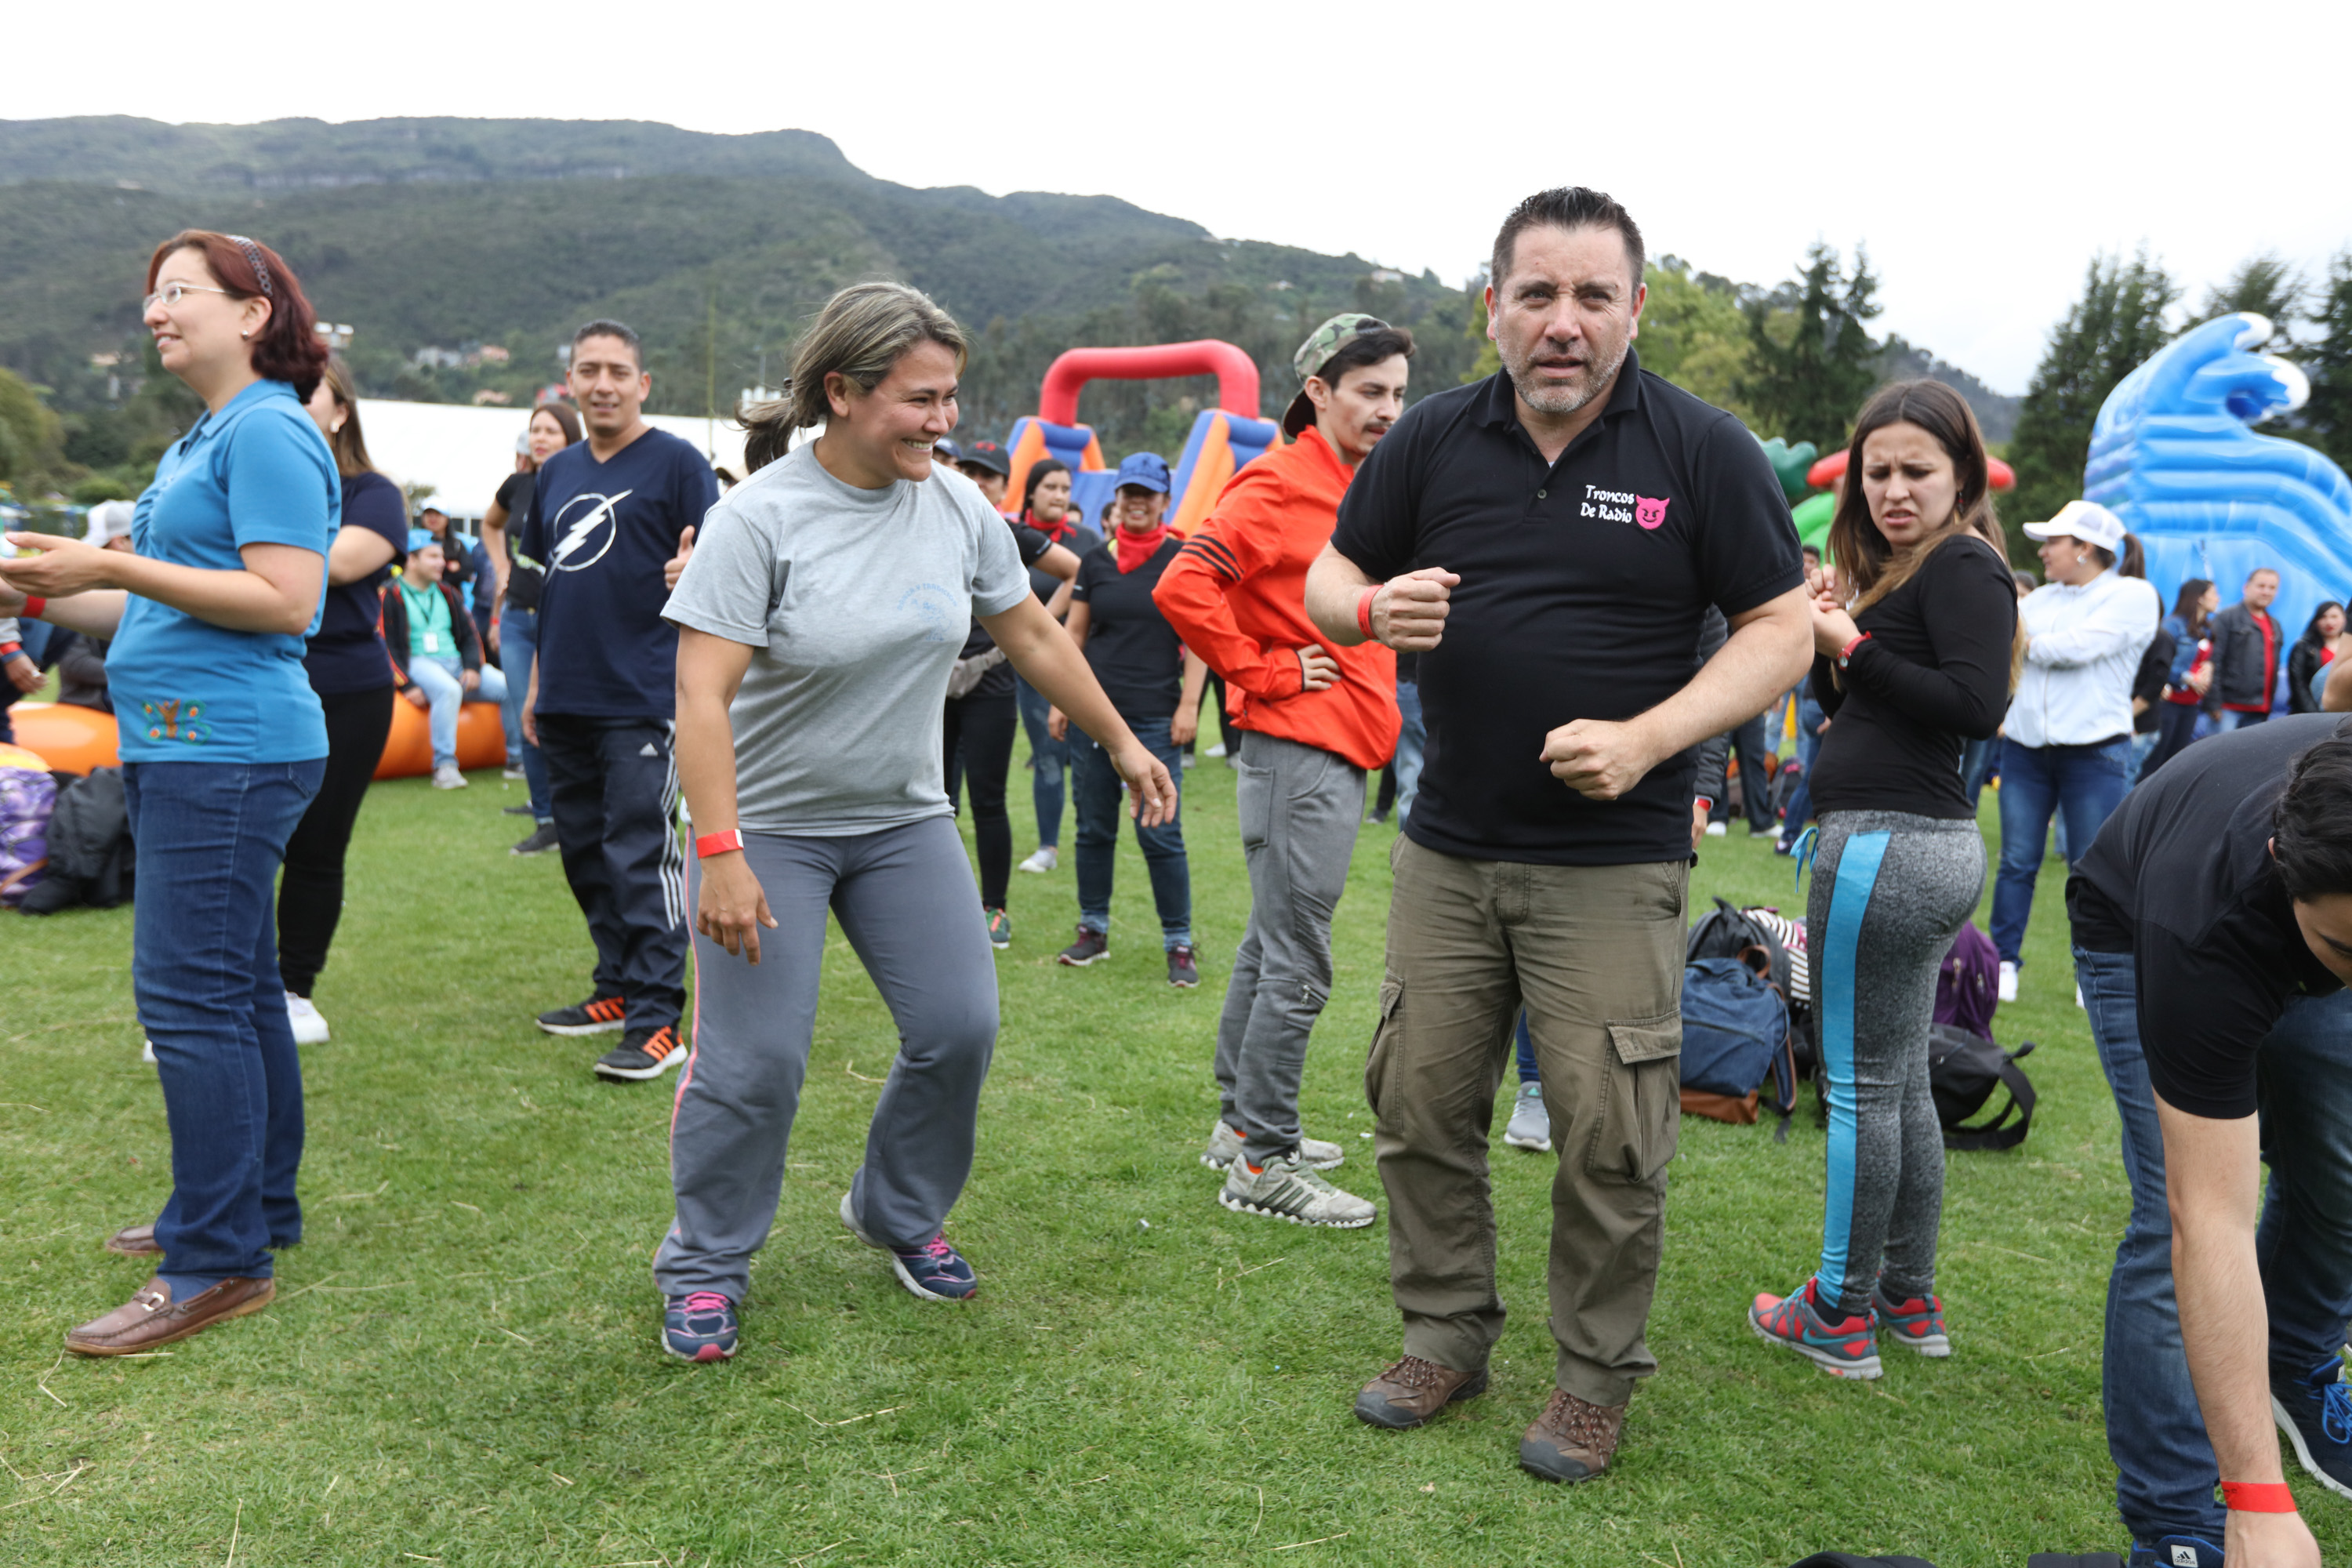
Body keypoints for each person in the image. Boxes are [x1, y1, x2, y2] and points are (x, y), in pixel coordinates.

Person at [1303, 187, 1811, 1483]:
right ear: (1495, 308)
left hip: (1613, 861)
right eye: (1537, 294)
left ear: (1634, 309)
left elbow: (1780, 630)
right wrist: (1368, 612)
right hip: (1447, 849)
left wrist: (1648, 739)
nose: (1564, 323)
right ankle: (1444, 1335)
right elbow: (1330, 574)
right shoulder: (1432, 438)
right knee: (1418, 1103)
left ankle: (1592, 1379)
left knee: (1608, 1133)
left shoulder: (1702, 450)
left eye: (1593, 296)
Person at [652, 281, 1177, 1360]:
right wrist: (722, 852)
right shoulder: (760, 518)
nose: (944, 421)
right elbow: (700, 696)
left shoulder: (956, 508)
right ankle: (704, 1267)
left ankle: (895, 1210)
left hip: (901, 819)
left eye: (950, 398)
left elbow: (1033, 635)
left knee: (959, 1026)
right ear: (841, 392)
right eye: (921, 399)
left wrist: (1125, 743)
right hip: (767, 825)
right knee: (756, 1064)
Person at [0, 230, 335, 1354]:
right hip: (189, 745)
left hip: (224, 748)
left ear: (253, 312)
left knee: (190, 998)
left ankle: (218, 1258)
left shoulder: (271, 426)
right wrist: (41, 588)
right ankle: (253, 1209)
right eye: (152, 294)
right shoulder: (205, 435)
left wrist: (109, 561)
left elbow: (286, 599)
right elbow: (150, 605)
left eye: (178, 291)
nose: (155, 310)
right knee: (238, 990)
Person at [1744, 379, 2020, 1381]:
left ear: (1964, 475)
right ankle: (1907, 1294)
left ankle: (1839, 1309)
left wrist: (1850, 640)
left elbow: (1975, 705)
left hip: (1889, 849)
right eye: (1878, 471)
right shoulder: (1908, 567)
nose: (1894, 489)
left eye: (1917, 470)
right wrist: (1834, 633)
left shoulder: (1964, 564)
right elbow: (1853, 702)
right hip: (1905, 846)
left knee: (1861, 1089)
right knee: (1897, 1082)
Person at [2071, 715, 2352, 1568]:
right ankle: (2180, 1523)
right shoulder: (2206, 932)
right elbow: (2212, 1223)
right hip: (2135, 915)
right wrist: (2260, 1502)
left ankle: (2293, 1363)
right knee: (2174, 1218)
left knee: (2340, 1175)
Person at [1152, 311, 1409, 1223]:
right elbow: (1182, 585)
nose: (1388, 409)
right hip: (1301, 745)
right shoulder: (1280, 481)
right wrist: (1260, 669)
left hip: (1331, 744)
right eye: (1369, 391)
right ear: (1318, 391)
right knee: (1299, 958)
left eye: (1398, 393)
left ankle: (1240, 1129)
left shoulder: (1356, 485)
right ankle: (1264, 1161)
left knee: (1270, 944)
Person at [518, 319, 720, 1081]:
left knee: (640, 854)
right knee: (585, 855)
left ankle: (658, 1020)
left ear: (643, 384)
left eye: (618, 371)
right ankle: (615, 986)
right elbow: (548, 587)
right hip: (565, 694)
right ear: (570, 380)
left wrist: (695, 572)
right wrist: (536, 685)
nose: (602, 384)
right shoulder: (556, 472)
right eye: (588, 370)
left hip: (645, 696)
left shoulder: (678, 463)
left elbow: (722, 566)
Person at [277, 354, 408, 1046]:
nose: (293, 404)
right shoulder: (255, 482)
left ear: (341, 412)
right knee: (241, 847)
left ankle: (292, 989)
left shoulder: (372, 493)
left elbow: (337, 564)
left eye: (308, 393)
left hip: (347, 689)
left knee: (317, 843)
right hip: (260, 680)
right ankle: (222, 992)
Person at [1986, 500, 2159, 1004]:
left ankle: (2095, 970)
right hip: (2025, 748)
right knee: (2017, 861)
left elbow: (2075, 649)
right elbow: (2003, 640)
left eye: (2052, 542)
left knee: (2091, 868)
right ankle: (2002, 963)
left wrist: (2025, 641)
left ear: (2085, 548)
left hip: (2093, 752)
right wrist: (2026, 639)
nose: (2042, 552)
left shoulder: (2133, 595)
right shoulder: (2042, 599)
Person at [1045, 452, 1208, 985]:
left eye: (1147, 494)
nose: (1137, 502)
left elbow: (1199, 641)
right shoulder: (1096, 561)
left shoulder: (1182, 559)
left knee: (1161, 834)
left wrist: (1189, 706)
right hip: (1094, 718)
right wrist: (1061, 700)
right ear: (1116, 499)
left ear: (1164, 501)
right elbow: (1074, 635)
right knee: (1092, 828)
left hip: (1156, 718)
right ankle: (1093, 930)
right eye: (1129, 493)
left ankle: (1178, 942)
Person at [942, 491, 1080, 949]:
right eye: (970, 472)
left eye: (990, 477)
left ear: (1005, 487)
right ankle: (942, 906)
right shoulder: (929, 518)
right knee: (933, 803)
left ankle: (994, 908)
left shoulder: (1008, 532)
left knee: (988, 801)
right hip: (933, 680)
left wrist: (1030, 629)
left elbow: (1074, 570)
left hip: (991, 682)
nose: (978, 483)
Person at [481, 401, 583, 856]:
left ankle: (570, 806)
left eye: (550, 431)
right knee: (530, 714)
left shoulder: (583, 482)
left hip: (566, 619)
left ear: (570, 437)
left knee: (565, 716)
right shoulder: (518, 484)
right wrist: (501, 569)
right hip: (519, 618)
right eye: (535, 430)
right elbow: (491, 525)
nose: (540, 438)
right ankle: (547, 818)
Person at [1013, 459, 1101, 874]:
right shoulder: (1011, 536)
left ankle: (1084, 839)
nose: (1060, 495)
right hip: (1025, 665)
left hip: (1076, 664)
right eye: (1050, 487)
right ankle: (1047, 846)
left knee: (1080, 756)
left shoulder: (1086, 540)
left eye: (1066, 488)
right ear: (1031, 491)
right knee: (1047, 754)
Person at [384, 531, 508, 789]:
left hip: (456, 662)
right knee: (449, 690)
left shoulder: (448, 592)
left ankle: (518, 760)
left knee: (508, 687)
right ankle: (445, 767)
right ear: (411, 560)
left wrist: (473, 668)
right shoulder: (390, 594)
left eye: (441, 556)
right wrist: (406, 685)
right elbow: (385, 646)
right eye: (433, 556)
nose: (442, 562)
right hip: (419, 662)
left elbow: (471, 636)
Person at [2144, 579, 2218, 777]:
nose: (2218, 599)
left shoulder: (2207, 629)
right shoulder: (2173, 626)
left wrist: (2209, 667)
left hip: (2191, 704)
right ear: (2200, 598)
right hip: (2170, 702)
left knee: (2176, 761)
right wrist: (2189, 678)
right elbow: (2161, 664)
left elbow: (2203, 658)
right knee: (2155, 760)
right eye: (2214, 594)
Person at [2207, 568, 2283, 731]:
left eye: (2272, 588)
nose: (2266, 592)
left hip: (2260, 711)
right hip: (2228, 707)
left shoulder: (2275, 625)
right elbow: (2213, 660)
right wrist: (2214, 702)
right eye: (2261, 586)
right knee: (2221, 748)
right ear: (2246, 588)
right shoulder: (2227, 618)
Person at [2286, 601, 2347, 715]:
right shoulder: (2304, 646)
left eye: (2334, 617)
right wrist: (2313, 713)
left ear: (2345, 619)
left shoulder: (2348, 647)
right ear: (2316, 620)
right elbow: (2298, 684)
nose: (2329, 622)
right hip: (2311, 712)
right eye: (2323, 617)